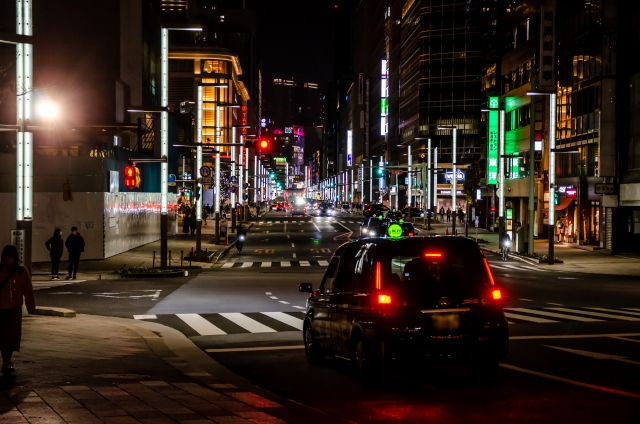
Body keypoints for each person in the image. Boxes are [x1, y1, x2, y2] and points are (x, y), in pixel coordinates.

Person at [0, 245, 35, 375]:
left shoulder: (21, 271)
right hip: (1, 309)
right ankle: (6, 360)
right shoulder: (0, 271)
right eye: (7, 257)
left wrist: (31, 307)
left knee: (14, 335)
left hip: (15, 309)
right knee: (4, 335)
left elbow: (28, 290)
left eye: (11, 257)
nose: (9, 259)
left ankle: (7, 359)